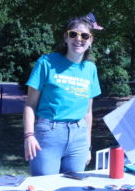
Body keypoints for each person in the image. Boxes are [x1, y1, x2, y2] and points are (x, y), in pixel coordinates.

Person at [23, 13, 102, 176]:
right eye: (73, 34)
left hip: (79, 136)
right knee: (45, 186)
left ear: (90, 41)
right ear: (66, 37)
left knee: (72, 187)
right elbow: (30, 105)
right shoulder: (46, 62)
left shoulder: (90, 69)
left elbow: (88, 112)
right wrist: (29, 135)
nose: (78, 39)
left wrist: (88, 146)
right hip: (48, 134)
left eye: (84, 35)